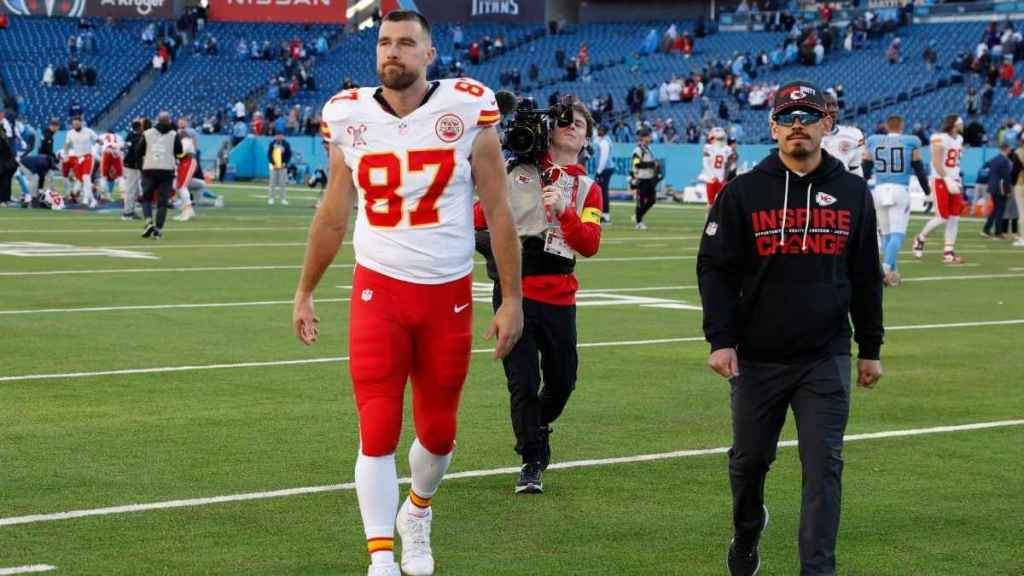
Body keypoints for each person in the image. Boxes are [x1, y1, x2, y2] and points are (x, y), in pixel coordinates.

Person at [291, 11, 523, 576]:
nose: (392, 52)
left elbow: (497, 210)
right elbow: (332, 214)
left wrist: (512, 297)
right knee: (376, 428)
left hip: (447, 292)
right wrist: (305, 291)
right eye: (384, 43)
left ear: (429, 54)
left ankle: (417, 511)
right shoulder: (347, 115)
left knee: (439, 433)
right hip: (378, 288)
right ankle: (380, 558)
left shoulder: (467, 107)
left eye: (405, 43)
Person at [697, 80, 884, 576]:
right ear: (773, 126)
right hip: (757, 357)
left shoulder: (852, 191)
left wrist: (870, 347)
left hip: (825, 355)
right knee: (749, 462)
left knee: (823, 469)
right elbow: (714, 268)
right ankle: (747, 529)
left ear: (827, 123)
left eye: (807, 115)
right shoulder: (743, 192)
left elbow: (867, 273)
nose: (797, 124)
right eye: (788, 116)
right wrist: (721, 339)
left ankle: (817, 570)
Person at [474, 99, 603, 494]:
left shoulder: (588, 189)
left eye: (578, 124)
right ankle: (532, 460)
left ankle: (537, 427)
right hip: (515, 292)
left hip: (560, 295)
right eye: (563, 121)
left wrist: (565, 210)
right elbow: (478, 222)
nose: (570, 126)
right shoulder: (516, 171)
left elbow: (590, 244)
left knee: (563, 381)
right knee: (523, 382)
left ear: (586, 139)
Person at [863, 115, 931, 286]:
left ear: (886, 126)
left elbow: (866, 169)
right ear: (902, 126)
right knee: (897, 236)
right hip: (899, 190)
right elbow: (919, 169)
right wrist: (928, 191)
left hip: (879, 190)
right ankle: (884, 270)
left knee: (886, 236)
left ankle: (892, 275)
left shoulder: (873, 140)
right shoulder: (911, 141)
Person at [912, 115, 966, 263]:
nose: (962, 125)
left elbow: (954, 162)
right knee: (942, 217)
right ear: (954, 124)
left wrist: (955, 179)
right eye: (960, 123)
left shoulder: (959, 139)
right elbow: (936, 162)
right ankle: (920, 238)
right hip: (940, 180)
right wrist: (947, 179)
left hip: (954, 179)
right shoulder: (939, 137)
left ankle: (949, 252)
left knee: (955, 217)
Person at [137, 111, 183, 239]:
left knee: (146, 198)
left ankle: (148, 222)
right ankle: (158, 230)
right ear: (169, 121)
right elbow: (179, 152)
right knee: (162, 203)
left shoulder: (147, 133)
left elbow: (139, 151)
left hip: (149, 169)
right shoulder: (174, 134)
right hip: (166, 170)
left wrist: (142, 167)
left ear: (157, 120)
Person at [821, 93, 865, 176]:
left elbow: (855, 168)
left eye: (835, 105)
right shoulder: (806, 136)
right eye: (827, 105)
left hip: (841, 186)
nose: (833, 109)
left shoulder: (854, 134)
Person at [61, 116, 98, 208]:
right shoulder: (70, 133)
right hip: (78, 158)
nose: (75, 125)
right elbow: (67, 144)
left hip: (88, 156)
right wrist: (65, 154)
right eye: (74, 124)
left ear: (81, 123)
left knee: (86, 177)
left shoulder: (88, 131)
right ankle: (93, 200)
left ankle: (85, 200)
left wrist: (100, 144)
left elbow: (97, 140)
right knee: (81, 179)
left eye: (77, 124)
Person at [982, 144, 1014, 238]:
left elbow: (986, 168)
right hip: (1000, 188)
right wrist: (1008, 190)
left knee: (996, 209)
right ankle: (998, 232)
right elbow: (1006, 177)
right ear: (1006, 149)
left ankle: (987, 229)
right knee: (999, 210)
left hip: (993, 187)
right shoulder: (1005, 160)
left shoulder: (994, 159)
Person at [700, 126, 733, 212]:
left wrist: (724, 178)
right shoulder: (709, 148)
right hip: (713, 179)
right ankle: (708, 222)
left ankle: (721, 222)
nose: (721, 140)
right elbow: (705, 164)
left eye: (721, 138)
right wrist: (713, 176)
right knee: (710, 204)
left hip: (718, 179)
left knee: (723, 203)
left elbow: (728, 166)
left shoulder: (727, 149)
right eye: (720, 138)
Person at [630, 128, 658, 229]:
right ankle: (639, 222)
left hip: (649, 178)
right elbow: (636, 164)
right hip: (642, 178)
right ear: (643, 137)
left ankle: (639, 215)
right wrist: (651, 164)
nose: (650, 138)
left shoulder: (648, 148)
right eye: (648, 136)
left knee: (652, 200)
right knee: (640, 201)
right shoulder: (638, 150)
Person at [122, 117, 148, 220]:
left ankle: (131, 210)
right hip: (133, 165)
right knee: (131, 189)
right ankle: (127, 212)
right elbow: (137, 152)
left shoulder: (132, 135)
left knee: (135, 189)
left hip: (133, 165)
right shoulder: (137, 136)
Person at [593, 125, 613, 223]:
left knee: (603, 192)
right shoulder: (602, 140)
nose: (598, 131)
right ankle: (603, 214)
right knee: (602, 191)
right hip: (605, 169)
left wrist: (598, 172)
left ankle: (606, 215)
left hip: (605, 169)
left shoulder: (604, 142)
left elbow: (603, 159)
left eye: (600, 130)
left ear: (604, 131)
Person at [267, 132, 291, 205]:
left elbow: (288, 155)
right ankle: (271, 198)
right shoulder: (272, 144)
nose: (279, 137)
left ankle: (283, 199)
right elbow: (269, 154)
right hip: (273, 166)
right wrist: (273, 164)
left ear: (283, 136)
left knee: (282, 183)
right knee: (272, 183)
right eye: (277, 136)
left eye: (280, 136)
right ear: (275, 136)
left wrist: (285, 163)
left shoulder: (286, 144)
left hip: (283, 166)